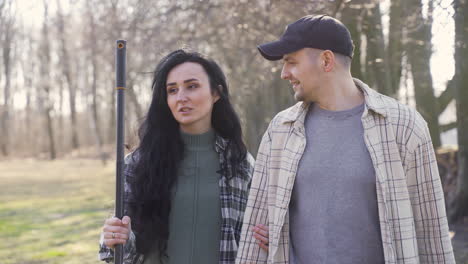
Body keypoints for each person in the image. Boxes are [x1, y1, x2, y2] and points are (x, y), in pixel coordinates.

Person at [236, 15, 455, 264]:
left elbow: (431, 230)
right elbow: (256, 232)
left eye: (291, 62)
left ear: (326, 60)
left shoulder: (403, 126)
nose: (284, 73)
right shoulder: (280, 130)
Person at [98, 49, 254, 264]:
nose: (181, 97)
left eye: (192, 86)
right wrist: (113, 237)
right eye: (172, 90)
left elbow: (252, 240)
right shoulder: (138, 164)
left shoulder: (239, 163)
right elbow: (118, 251)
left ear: (216, 93)